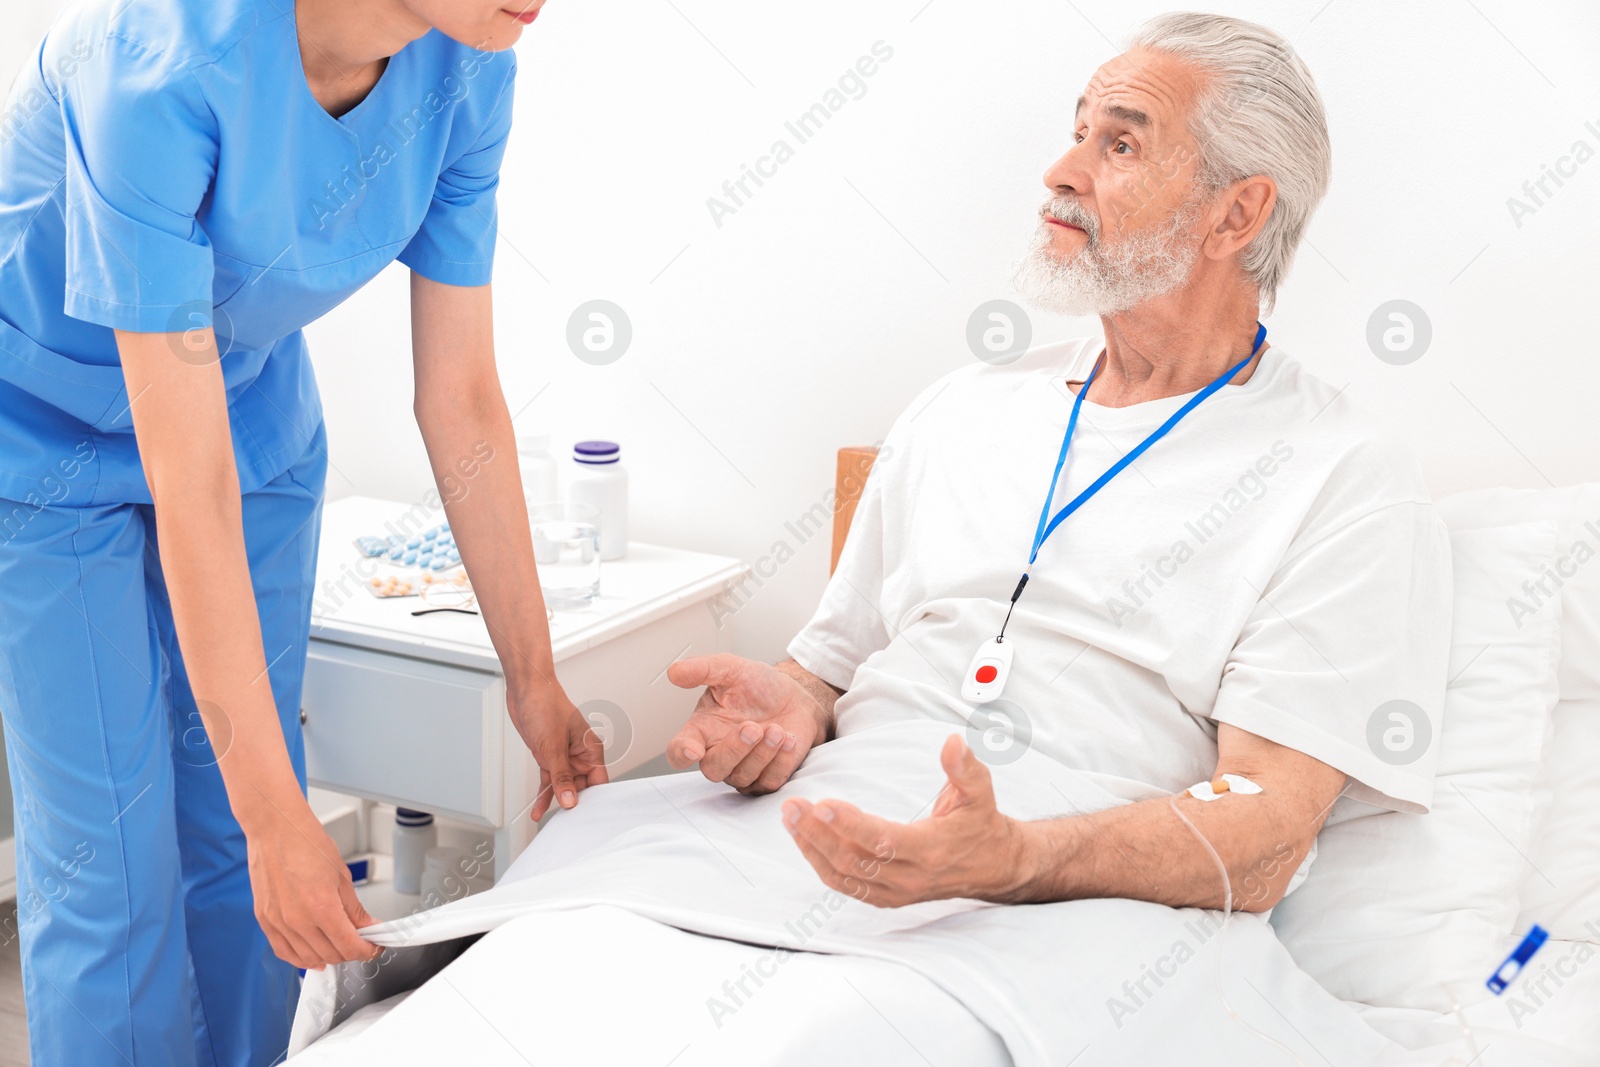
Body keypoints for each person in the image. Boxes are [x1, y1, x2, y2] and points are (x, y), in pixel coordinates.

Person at [667, 11, 1451, 914]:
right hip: (817, 836)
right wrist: (786, 710)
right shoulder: (960, 407)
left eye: (1120, 143)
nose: (1061, 171)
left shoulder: (1344, 475)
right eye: (1079, 131)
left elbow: (1266, 829)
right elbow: (824, 671)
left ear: (1236, 213)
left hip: (1076, 908)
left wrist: (1011, 860)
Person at [0, 0, 603, 1063]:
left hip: (248, 424)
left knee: (243, 847)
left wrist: (533, 676)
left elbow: (460, 396)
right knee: (112, 873)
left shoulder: (466, 61)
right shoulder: (156, 66)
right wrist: (280, 819)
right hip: (43, 449)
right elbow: (187, 484)